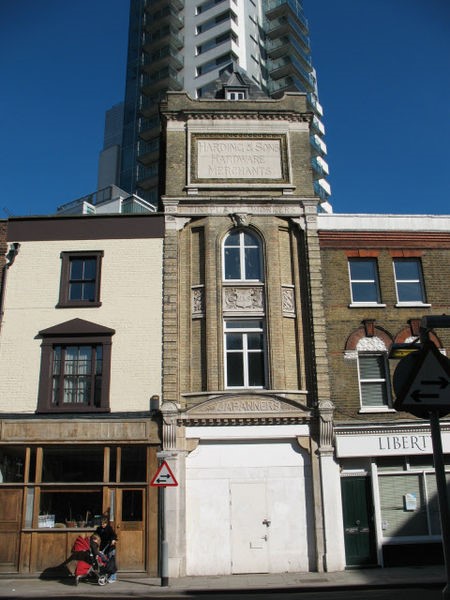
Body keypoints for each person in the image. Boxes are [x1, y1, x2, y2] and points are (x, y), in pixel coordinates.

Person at [94, 517, 118, 582]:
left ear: (106, 523)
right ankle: (105, 576)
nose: (102, 525)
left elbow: (114, 535)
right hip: (103, 547)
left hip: (110, 546)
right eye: (101, 524)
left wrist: (113, 540)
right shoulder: (99, 529)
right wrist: (95, 539)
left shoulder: (109, 528)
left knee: (111, 562)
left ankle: (113, 577)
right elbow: (95, 535)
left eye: (104, 524)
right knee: (104, 562)